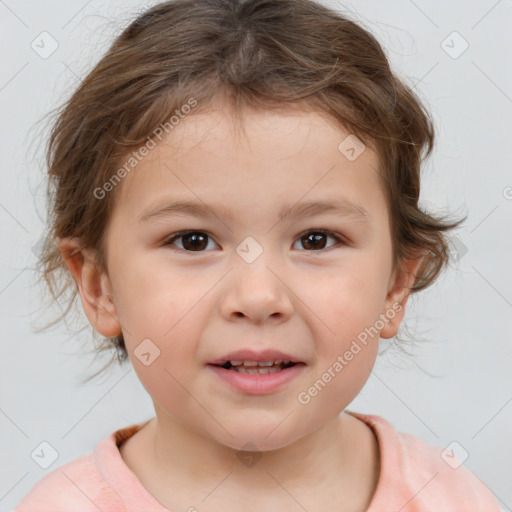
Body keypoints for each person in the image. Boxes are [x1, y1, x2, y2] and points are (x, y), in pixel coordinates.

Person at [16, 0, 502, 510]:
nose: (258, 297)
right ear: (99, 286)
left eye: (316, 239)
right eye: (193, 240)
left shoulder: (454, 499)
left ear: (396, 285)